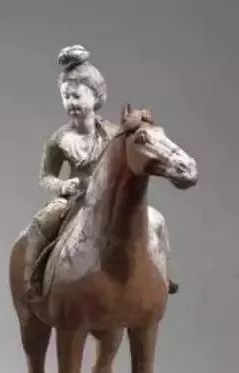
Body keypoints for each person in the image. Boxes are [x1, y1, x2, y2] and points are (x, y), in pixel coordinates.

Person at [25, 44, 177, 298]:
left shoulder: (115, 133)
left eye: (77, 96)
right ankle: (34, 278)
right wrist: (63, 186)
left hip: (110, 197)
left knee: (157, 220)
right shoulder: (59, 139)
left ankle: (162, 273)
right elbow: (46, 177)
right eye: (66, 97)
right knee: (41, 223)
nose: (71, 102)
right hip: (74, 199)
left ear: (95, 96)